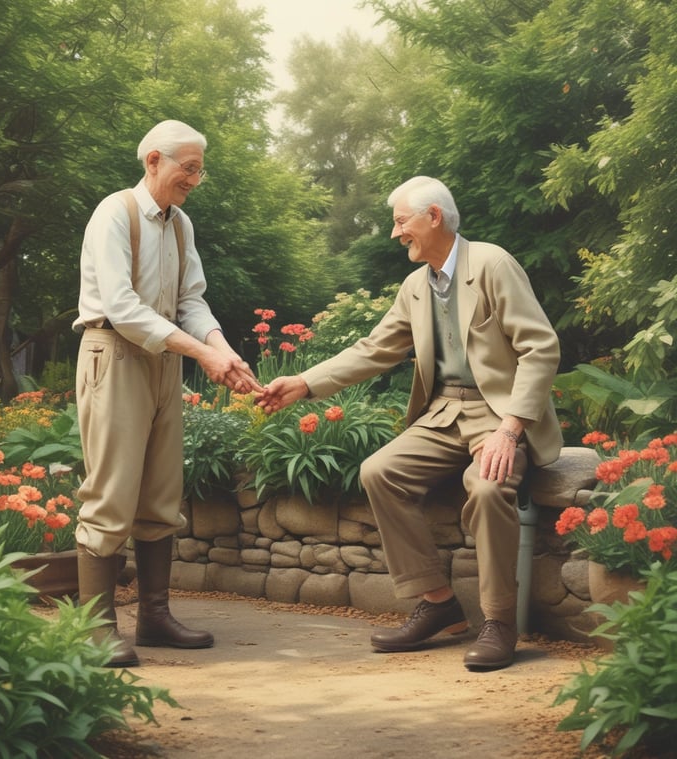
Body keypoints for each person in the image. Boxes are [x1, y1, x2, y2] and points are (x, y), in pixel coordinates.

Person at [256, 176, 562, 671]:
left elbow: (540, 347)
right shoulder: (416, 287)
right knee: (380, 471)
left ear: (433, 217)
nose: (397, 233)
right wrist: (304, 383)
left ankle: (500, 622)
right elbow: (373, 350)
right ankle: (438, 603)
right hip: (443, 412)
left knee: (486, 488)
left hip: (497, 413)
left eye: (402, 221)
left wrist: (511, 428)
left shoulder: (491, 263)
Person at [72, 119, 261, 667]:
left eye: (200, 170)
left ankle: (154, 616)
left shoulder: (181, 226)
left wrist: (220, 348)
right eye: (189, 168)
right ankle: (94, 629)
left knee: (160, 494)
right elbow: (123, 307)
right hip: (114, 354)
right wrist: (201, 353)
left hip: (164, 362)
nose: (196, 180)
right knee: (110, 494)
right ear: (154, 160)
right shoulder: (114, 213)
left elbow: (192, 301)